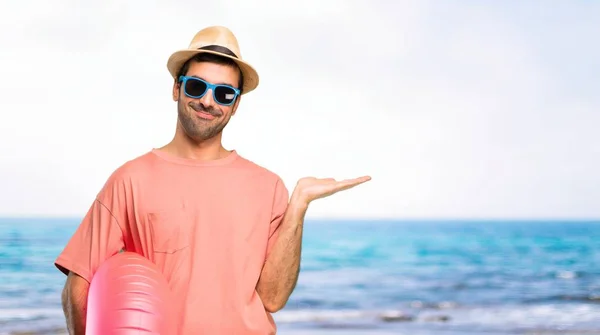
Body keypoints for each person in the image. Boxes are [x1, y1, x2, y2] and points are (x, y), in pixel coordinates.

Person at [55, 25, 371, 335]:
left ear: (235, 105)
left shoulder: (268, 186)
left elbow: (273, 298)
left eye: (223, 93)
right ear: (176, 88)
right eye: (196, 86)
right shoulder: (130, 179)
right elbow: (78, 284)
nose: (208, 101)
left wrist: (298, 205)